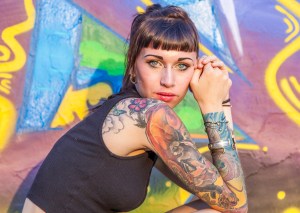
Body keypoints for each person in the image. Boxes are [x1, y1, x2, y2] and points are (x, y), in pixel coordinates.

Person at [22, 4, 248, 213]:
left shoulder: (138, 118)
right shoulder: (149, 117)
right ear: (132, 67)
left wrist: (222, 103)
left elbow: (228, 190)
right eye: (154, 63)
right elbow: (236, 204)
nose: (168, 80)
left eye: (182, 66)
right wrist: (211, 106)